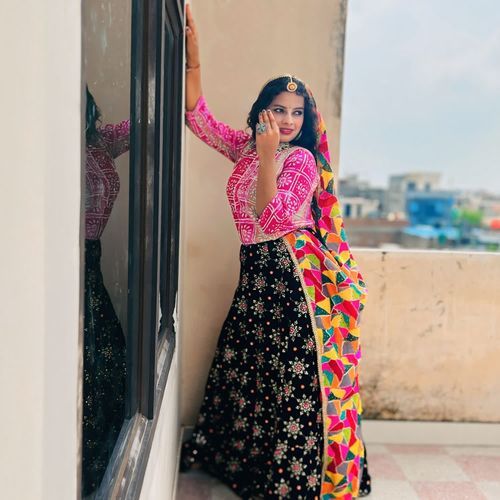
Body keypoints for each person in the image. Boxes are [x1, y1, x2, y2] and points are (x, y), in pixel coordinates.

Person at [181, 5, 371, 499]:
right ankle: (249, 468)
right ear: (263, 111)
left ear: (306, 120)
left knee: (289, 378)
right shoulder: (249, 148)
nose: (287, 120)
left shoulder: (301, 160)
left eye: (297, 112)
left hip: (292, 278)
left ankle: (294, 481)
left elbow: (272, 219)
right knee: (253, 369)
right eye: (279, 109)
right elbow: (198, 119)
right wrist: (193, 58)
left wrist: (268, 156)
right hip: (257, 275)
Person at [82, 87, 129, 497]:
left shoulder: (97, 141)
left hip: (89, 259)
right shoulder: (54, 149)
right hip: (68, 263)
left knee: (106, 356)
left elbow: (144, 124)